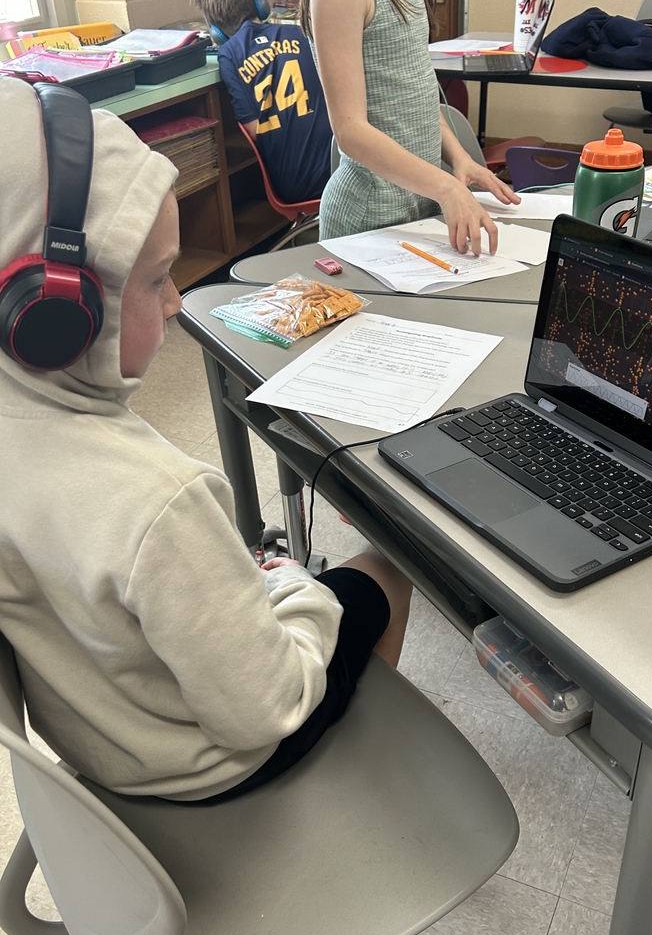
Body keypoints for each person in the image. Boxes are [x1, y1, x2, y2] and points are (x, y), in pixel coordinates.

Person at [0, 77, 411, 803]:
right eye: (158, 278)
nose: (178, 300)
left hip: (102, 747)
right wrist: (292, 586)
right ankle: (354, 783)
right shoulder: (159, 501)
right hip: (203, 767)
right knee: (384, 572)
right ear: (54, 313)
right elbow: (264, 708)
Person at [302, 0, 521, 255]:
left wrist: (460, 158)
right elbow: (350, 131)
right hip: (372, 212)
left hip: (421, 197)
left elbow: (413, 98)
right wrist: (448, 189)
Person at [193, 0, 333, 203]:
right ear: (260, 4)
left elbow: (253, 131)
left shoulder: (229, 55)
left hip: (294, 184)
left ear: (215, 31)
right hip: (340, 171)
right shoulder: (298, 33)